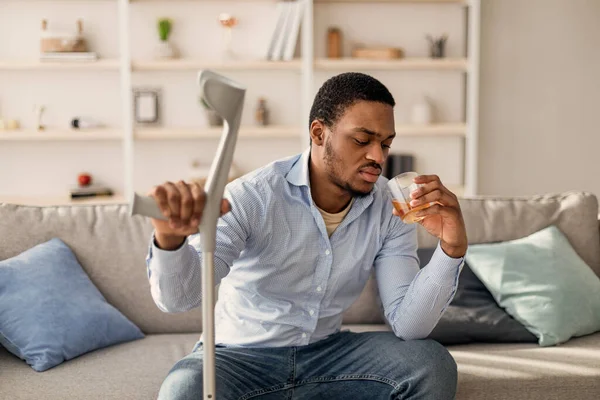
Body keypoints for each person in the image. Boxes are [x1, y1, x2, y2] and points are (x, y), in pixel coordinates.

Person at [146, 72, 468, 400]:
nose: (378, 157)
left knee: (429, 363)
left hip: (328, 356)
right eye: (362, 140)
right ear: (318, 133)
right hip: (238, 357)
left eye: (385, 143)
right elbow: (179, 300)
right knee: (183, 389)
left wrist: (452, 248)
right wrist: (170, 241)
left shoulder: (391, 206)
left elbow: (409, 326)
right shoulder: (251, 196)